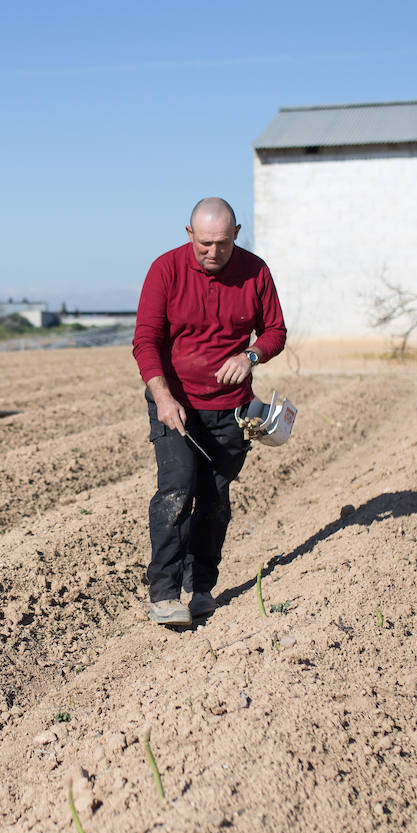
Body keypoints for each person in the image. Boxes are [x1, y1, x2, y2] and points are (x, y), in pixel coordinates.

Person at [131, 197, 287, 626]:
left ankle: (201, 587)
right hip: (175, 403)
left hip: (230, 410)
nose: (212, 252)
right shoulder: (165, 270)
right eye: (204, 244)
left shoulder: (255, 272)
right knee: (177, 491)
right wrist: (163, 398)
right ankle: (164, 594)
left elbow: (275, 330)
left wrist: (250, 356)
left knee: (215, 501)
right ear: (188, 235)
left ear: (236, 235)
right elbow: (145, 340)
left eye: (221, 243)